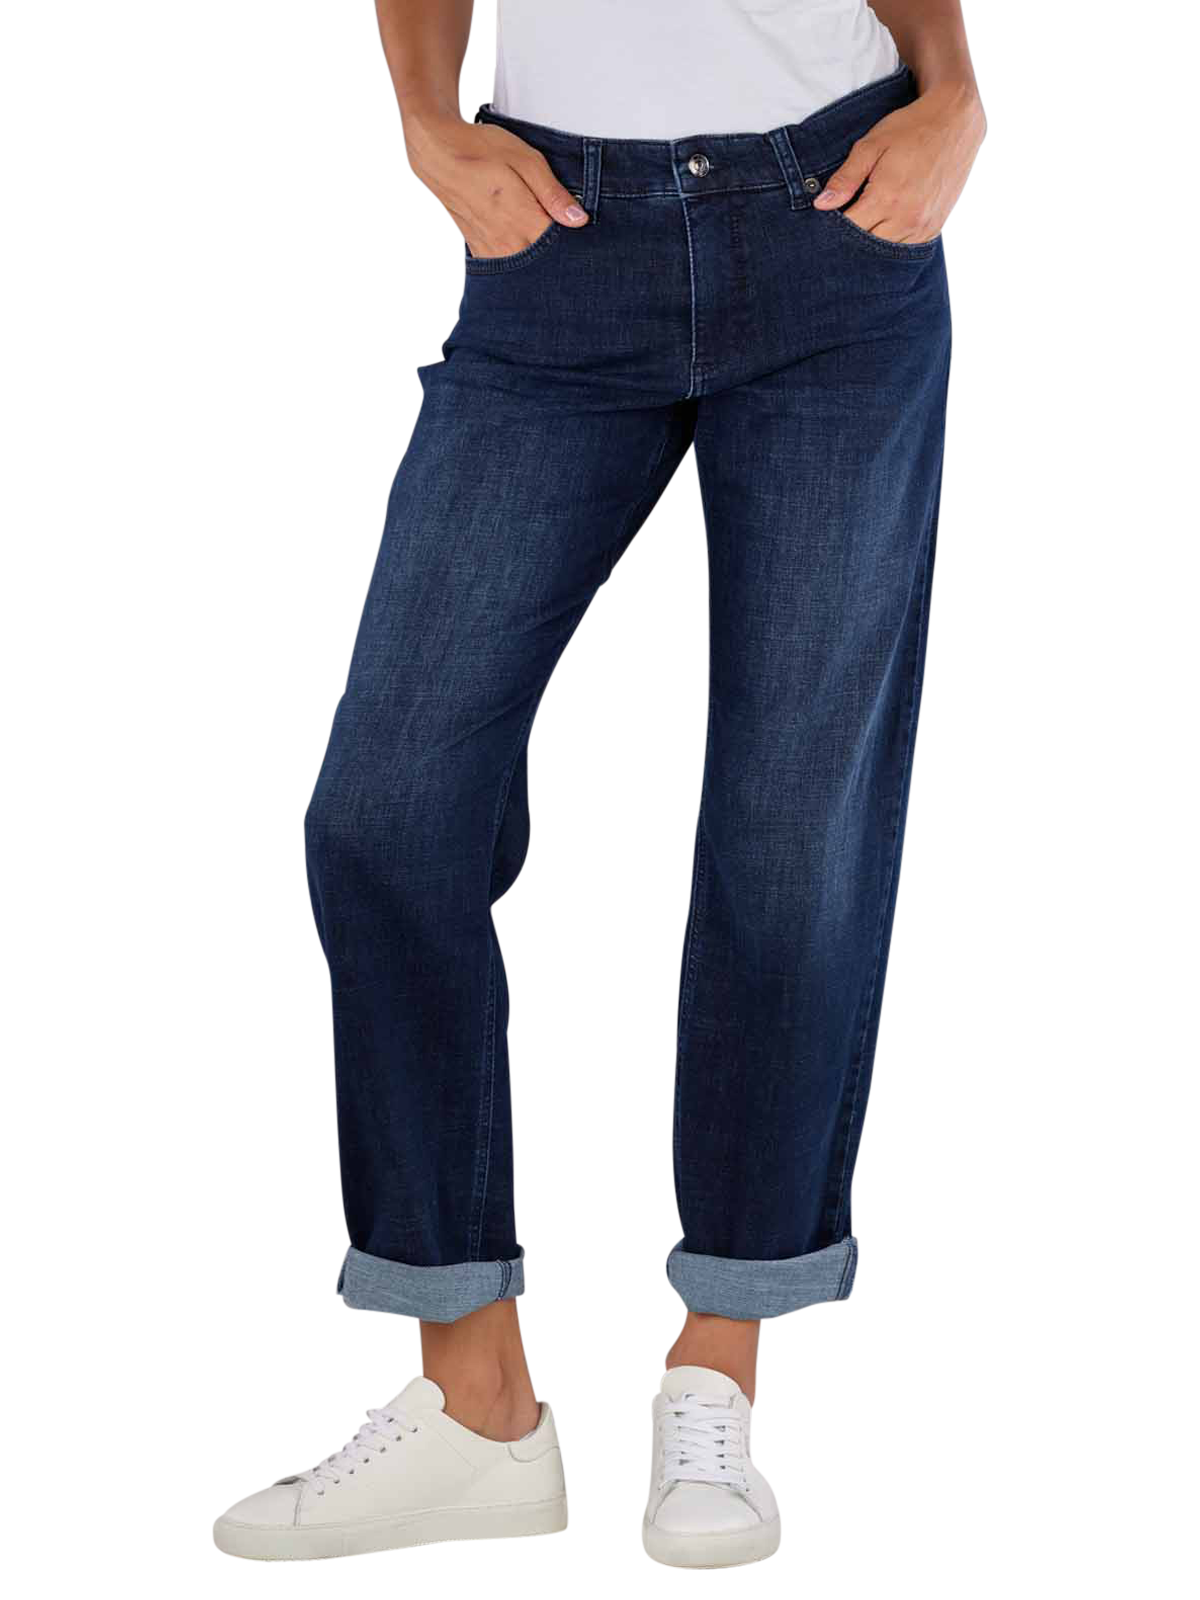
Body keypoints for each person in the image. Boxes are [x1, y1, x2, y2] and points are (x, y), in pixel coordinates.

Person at [213, 0, 984, 1569]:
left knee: (791, 831)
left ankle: (718, 1372)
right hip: (557, 241)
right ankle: (475, 1402)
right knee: (386, 815)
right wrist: (428, 116)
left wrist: (957, 90)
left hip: (836, 224)